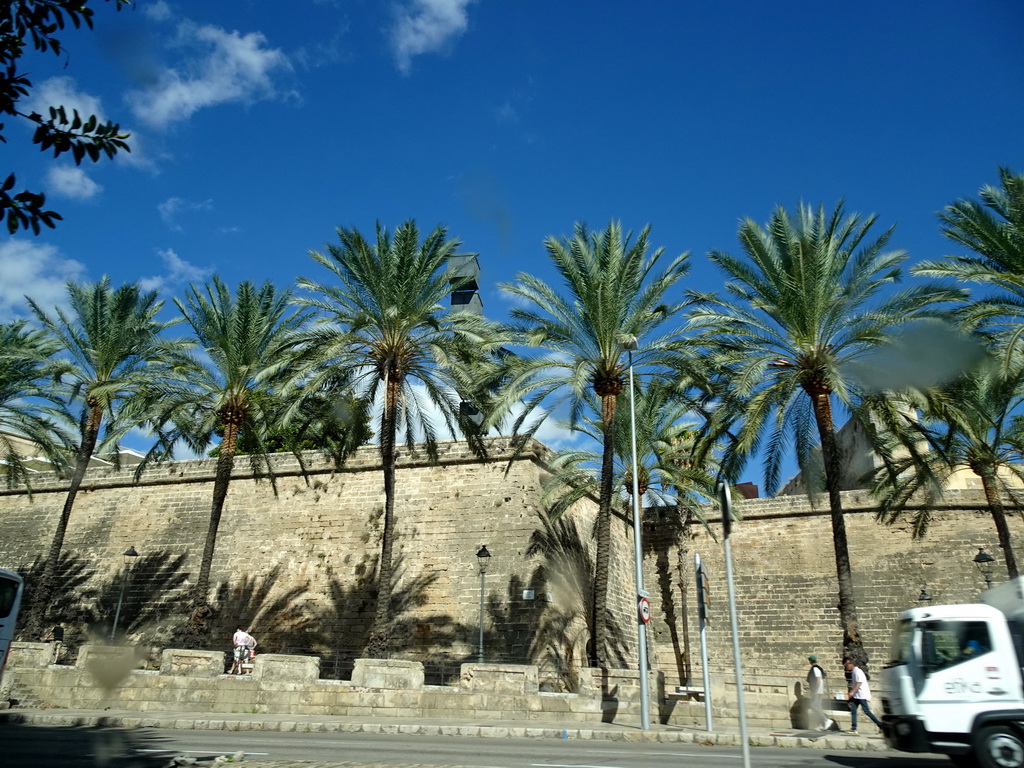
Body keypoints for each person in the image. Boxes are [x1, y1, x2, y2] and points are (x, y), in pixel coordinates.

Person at [844, 657, 882, 734]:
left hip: (861, 695)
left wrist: (852, 692)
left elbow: (859, 683)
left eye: (847, 664)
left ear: (852, 664)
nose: (846, 666)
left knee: (867, 711)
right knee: (853, 710)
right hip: (857, 695)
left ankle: (881, 725)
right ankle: (854, 728)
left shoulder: (857, 672)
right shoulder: (854, 672)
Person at [805, 655, 828, 730]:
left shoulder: (815, 669)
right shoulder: (818, 668)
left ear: (810, 661)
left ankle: (825, 720)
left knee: (813, 705)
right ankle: (822, 724)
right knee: (818, 706)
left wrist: (815, 690)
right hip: (819, 690)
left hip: (817, 691)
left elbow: (818, 680)